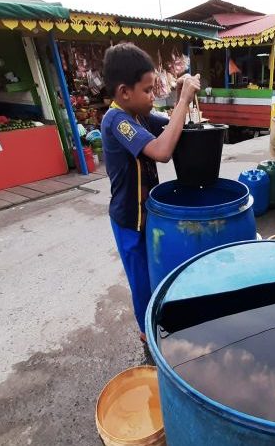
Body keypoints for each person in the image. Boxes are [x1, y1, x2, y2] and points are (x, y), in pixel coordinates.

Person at [101, 43, 201, 341]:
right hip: (129, 220)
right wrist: (183, 98)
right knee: (141, 281)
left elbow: (171, 126)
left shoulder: (139, 114)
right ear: (124, 92)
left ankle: (158, 318)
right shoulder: (117, 121)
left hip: (148, 215)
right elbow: (162, 150)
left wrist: (182, 98)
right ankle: (147, 335)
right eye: (147, 90)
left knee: (156, 271)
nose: (152, 96)